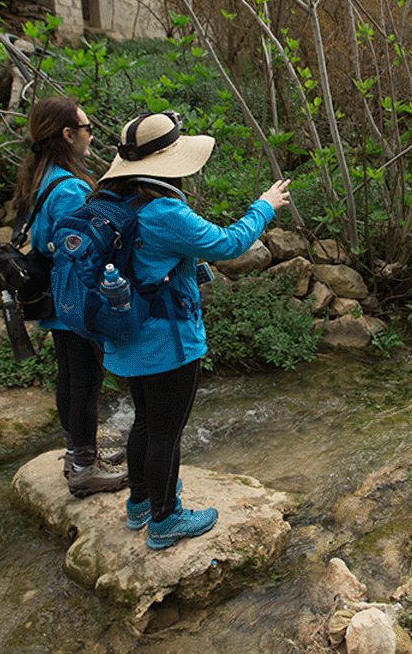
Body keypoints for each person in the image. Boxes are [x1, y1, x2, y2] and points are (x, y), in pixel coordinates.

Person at [96, 110, 290, 549]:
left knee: (145, 422)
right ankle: (166, 519)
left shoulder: (115, 199)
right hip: (168, 340)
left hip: (128, 334)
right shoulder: (163, 211)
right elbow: (228, 244)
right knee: (167, 431)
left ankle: (141, 503)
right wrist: (265, 207)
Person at [12, 95, 128, 497]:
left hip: (56, 297)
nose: (91, 134)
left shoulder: (42, 176)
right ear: (67, 134)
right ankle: (83, 468)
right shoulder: (69, 187)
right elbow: (82, 248)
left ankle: (78, 452)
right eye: (87, 128)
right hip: (74, 299)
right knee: (86, 381)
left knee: (70, 378)